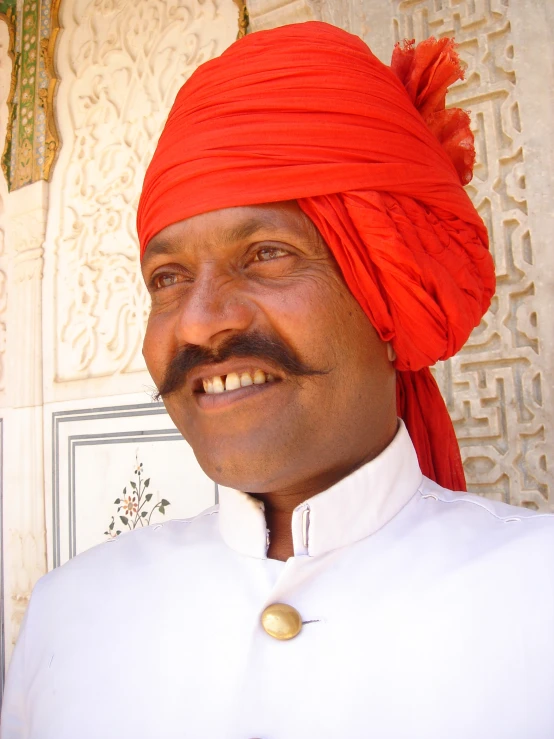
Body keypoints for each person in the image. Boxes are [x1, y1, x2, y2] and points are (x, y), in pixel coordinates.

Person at [2, 21, 553, 739]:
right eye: (166, 277)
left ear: (388, 291)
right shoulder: (69, 614)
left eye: (265, 254)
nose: (197, 324)